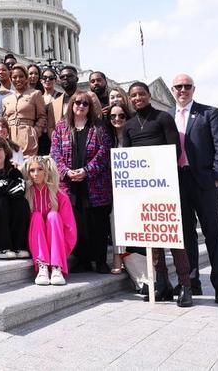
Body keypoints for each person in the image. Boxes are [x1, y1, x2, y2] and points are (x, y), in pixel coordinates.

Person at [124, 81, 192, 307]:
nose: (137, 98)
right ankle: (162, 283)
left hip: (164, 185)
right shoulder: (130, 125)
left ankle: (185, 285)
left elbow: (176, 150)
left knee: (173, 236)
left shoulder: (163, 118)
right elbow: (126, 154)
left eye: (141, 94)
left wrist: (155, 169)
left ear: (149, 95)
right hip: (142, 188)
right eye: (133, 95)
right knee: (153, 236)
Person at [171, 73, 218, 305]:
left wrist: (217, 177)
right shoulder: (168, 116)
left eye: (187, 86)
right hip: (179, 181)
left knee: (213, 234)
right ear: (172, 90)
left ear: (193, 89)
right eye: (178, 86)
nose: (183, 90)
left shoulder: (209, 113)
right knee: (186, 236)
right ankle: (192, 282)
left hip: (204, 181)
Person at [51, 89, 113, 275]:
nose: (81, 106)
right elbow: (55, 152)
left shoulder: (99, 128)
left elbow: (104, 153)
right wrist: (66, 171)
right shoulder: (62, 127)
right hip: (70, 185)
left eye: (85, 103)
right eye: (77, 102)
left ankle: (100, 261)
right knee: (77, 223)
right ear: (71, 105)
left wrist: (86, 171)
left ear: (90, 107)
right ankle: (83, 260)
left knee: (98, 224)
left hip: (95, 184)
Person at [23, 156, 77, 285]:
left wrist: (64, 251)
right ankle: (42, 266)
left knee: (53, 216)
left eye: (39, 169)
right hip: (35, 243)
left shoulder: (60, 195)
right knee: (35, 216)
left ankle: (56, 267)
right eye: (32, 170)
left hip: (57, 246)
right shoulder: (25, 194)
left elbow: (70, 228)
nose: (35, 174)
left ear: (46, 170)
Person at [107, 101, 132, 275]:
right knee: (115, 220)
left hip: (133, 187)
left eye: (121, 115)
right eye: (113, 116)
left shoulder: (134, 135)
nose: (117, 119)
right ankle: (117, 256)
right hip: (113, 186)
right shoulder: (108, 138)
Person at [1, 64, 47, 156]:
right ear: (10, 79)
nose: (18, 79)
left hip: (27, 135)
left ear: (26, 78)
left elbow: (42, 117)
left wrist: (35, 132)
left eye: (21, 76)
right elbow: (4, 120)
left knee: (27, 166)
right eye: (14, 77)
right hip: (10, 137)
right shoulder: (6, 99)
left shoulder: (35, 94)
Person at [47, 65, 78, 131]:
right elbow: (51, 127)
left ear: (77, 79)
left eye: (69, 76)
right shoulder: (54, 104)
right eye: (62, 77)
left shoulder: (88, 97)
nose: (65, 78)